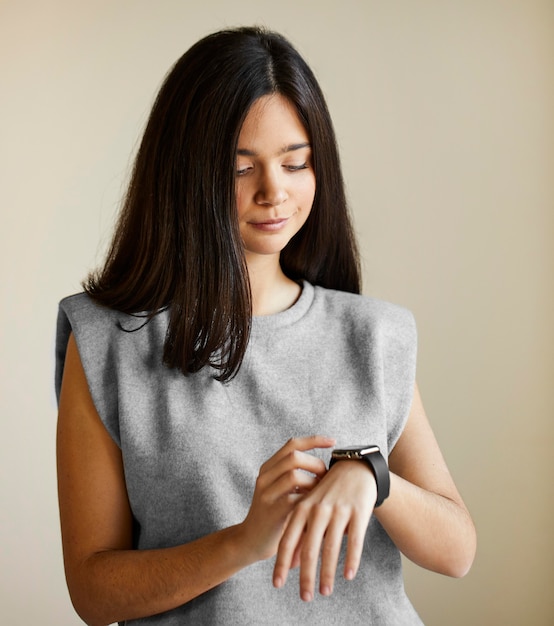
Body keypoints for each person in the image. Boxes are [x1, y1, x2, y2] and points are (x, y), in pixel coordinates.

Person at [55, 26, 476, 626]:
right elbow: (93, 592)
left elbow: (458, 551)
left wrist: (370, 474)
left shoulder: (372, 333)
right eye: (240, 168)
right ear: (186, 175)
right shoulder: (105, 342)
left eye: (296, 162)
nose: (273, 192)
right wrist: (244, 542)